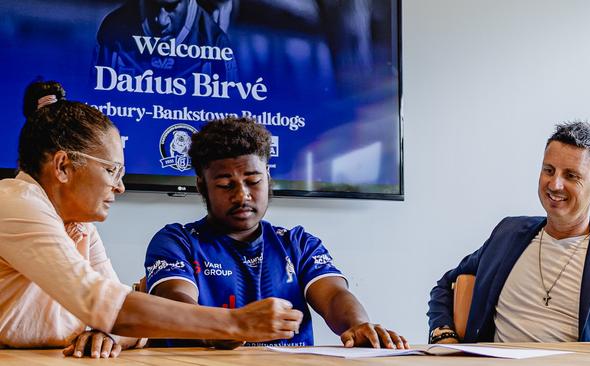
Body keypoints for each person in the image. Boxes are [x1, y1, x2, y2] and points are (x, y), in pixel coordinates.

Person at [0, 81, 305, 357]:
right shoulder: (15, 201)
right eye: (112, 171)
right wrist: (234, 322)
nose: (119, 186)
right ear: (63, 166)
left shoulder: (81, 228)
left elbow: (121, 317)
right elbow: (103, 302)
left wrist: (109, 332)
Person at [144, 117, 408, 349]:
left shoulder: (297, 243)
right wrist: (223, 327)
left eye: (253, 181)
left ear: (268, 178)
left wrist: (358, 325)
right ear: (202, 186)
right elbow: (175, 302)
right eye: (225, 185)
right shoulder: (177, 241)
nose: (242, 195)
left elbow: (334, 295)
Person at [427, 121, 590, 344]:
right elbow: (446, 285)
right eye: (549, 170)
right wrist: (443, 334)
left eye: (571, 176)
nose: (555, 184)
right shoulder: (508, 233)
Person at [94, 0, 237, 81]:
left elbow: (229, 116)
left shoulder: (216, 43)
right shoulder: (112, 32)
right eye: (153, 5)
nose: (161, 20)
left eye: (171, 7)